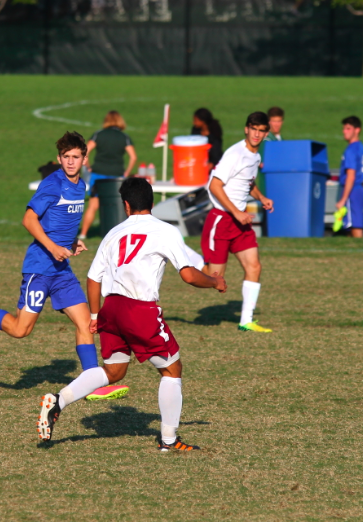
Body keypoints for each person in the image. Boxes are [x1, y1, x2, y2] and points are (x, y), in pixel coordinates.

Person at [37, 177, 226, 449]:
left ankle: (59, 400)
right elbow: (188, 275)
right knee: (172, 370)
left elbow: (92, 278)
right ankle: (170, 441)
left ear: (126, 205)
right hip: (139, 309)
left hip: (111, 309)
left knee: (114, 371)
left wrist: (94, 316)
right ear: (152, 202)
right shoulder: (165, 230)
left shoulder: (113, 233)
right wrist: (215, 282)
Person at [0, 132, 124, 395]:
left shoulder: (81, 185)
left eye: (76, 157)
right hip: (40, 268)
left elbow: (58, 222)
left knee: (86, 324)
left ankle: (91, 384)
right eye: (66, 157)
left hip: (62, 271)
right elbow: (29, 219)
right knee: (20, 329)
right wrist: (52, 247)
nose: (71, 162)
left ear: (84, 158)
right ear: (59, 159)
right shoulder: (52, 184)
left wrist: (70, 244)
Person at [200, 112, 274, 333]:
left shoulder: (255, 157)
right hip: (222, 218)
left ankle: (246, 320)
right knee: (215, 279)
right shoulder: (235, 153)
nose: (257, 134)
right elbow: (214, 185)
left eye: (261, 131)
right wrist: (235, 212)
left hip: (240, 222)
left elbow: (247, 182)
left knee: (254, 266)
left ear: (266, 133)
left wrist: (261, 198)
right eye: (254, 129)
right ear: (246, 129)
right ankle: (182, 255)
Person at [78, 110, 136, 240]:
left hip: (98, 174)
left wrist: (88, 167)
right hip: (116, 176)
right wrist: (127, 172)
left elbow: (85, 152)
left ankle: (83, 233)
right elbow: (133, 157)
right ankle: (121, 234)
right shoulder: (124, 137)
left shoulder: (98, 134)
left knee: (93, 206)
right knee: (118, 205)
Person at [335, 116, 363, 238]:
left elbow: (350, 176)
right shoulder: (361, 147)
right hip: (359, 190)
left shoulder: (350, 150)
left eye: (348, 128)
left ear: (357, 130)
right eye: (344, 128)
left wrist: (343, 199)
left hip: (352, 191)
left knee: (354, 226)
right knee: (355, 223)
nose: (345, 131)